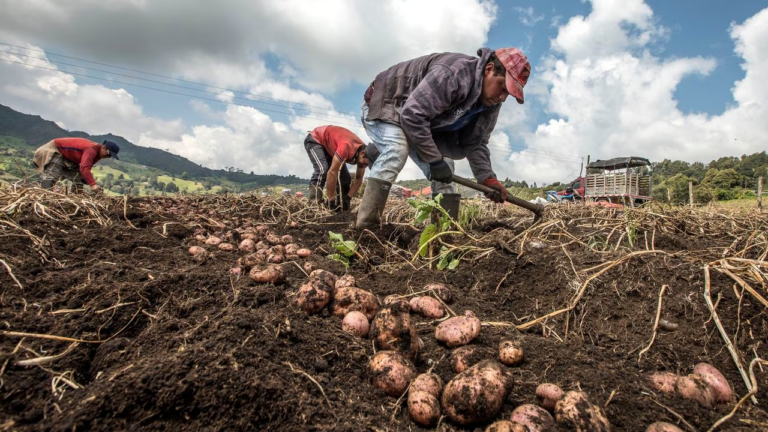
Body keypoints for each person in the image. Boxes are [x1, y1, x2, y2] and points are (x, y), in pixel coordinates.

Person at [357, 47, 530, 228]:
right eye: (502, 87)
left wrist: (488, 179)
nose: (502, 97)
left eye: (507, 94)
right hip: (388, 103)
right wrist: (433, 159)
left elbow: (476, 142)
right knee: (396, 150)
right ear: (489, 69)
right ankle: (366, 228)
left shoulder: (491, 103)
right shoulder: (453, 74)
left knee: (446, 165)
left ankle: (443, 231)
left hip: (421, 120)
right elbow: (412, 115)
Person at [304, 125, 369, 211]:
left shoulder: (364, 156)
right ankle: (314, 204)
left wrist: (348, 197)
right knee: (322, 170)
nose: (366, 165)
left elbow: (359, 178)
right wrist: (331, 199)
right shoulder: (346, 146)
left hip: (331, 148)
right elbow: (332, 173)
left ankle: (341, 206)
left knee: (345, 179)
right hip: (316, 140)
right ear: (362, 153)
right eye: (366, 163)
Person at [33, 138, 120, 192]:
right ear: (104, 147)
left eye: (110, 156)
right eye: (108, 154)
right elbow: (84, 167)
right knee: (51, 177)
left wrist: (88, 180)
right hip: (56, 150)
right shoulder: (91, 150)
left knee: (78, 180)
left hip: (68, 158)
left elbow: (85, 169)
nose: (108, 156)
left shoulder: (98, 154)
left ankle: (76, 199)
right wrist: (93, 184)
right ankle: (43, 197)